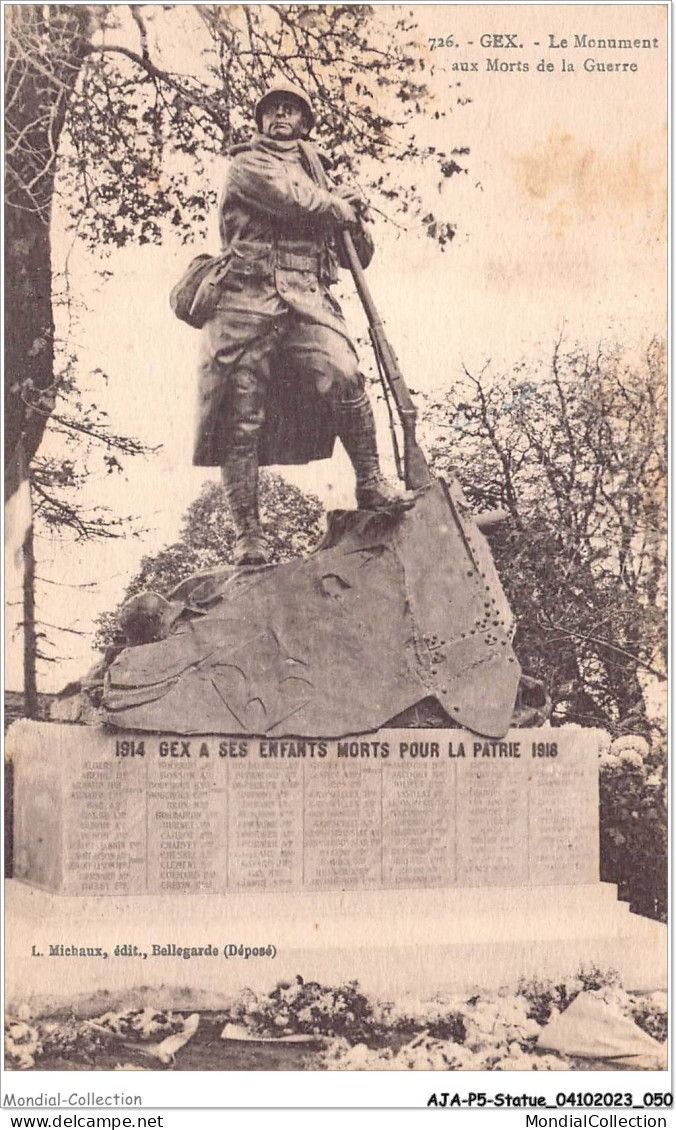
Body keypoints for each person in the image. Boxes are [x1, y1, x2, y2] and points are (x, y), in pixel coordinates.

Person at [194, 81, 412, 566]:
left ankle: (372, 482)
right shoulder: (249, 165)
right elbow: (291, 199)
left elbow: (361, 255)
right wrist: (338, 204)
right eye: (272, 111)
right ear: (260, 122)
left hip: (307, 297)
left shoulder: (320, 178)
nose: (280, 117)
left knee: (345, 374)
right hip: (246, 299)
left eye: (290, 111)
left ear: (304, 123)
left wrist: (356, 218)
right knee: (241, 414)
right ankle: (248, 533)